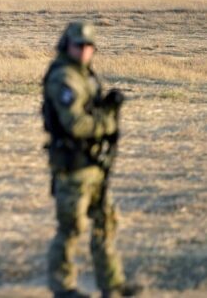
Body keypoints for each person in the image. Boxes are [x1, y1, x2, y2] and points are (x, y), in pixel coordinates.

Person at [42, 22, 142, 298]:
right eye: (79, 45)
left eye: (89, 46)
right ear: (67, 45)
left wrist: (106, 105)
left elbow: (89, 111)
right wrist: (106, 121)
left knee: (105, 223)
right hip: (73, 165)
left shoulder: (84, 75)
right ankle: (63, 288)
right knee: (71, 228)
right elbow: (75, 123)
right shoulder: (64, 77)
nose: (84, 51)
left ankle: (113, 284)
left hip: (94, 163)